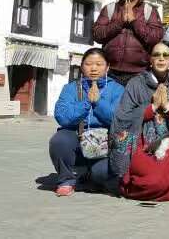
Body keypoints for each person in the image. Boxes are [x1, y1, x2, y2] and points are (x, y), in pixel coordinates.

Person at [109, 42, 169, 201]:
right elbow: (122, 117)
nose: (161, 59)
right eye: (156, 55)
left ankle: (167, 187)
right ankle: (145, 187)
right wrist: (151, 108)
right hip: (139, 141)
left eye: (165, 55)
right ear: (150, 60)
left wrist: (168, 107)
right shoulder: (135, 84)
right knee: (154, 182)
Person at [49, 48, 125, 196]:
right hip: (77, 138)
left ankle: (90, 176)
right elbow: (62, 117)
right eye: (89, 64)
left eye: (99, 64)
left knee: (101, 173)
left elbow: (119, 119)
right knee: (60, 140)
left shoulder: (118, 90)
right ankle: (66, 180)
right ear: (82, 66)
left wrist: (98, 103)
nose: (94, 68)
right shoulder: (70, 88)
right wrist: (86, 103)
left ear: (107, 67)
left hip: (105, 144)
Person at [92, 0, 164, 85]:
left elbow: (155, 38)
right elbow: (97, 35)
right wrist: (119, 22)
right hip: (110, 73)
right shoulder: (110, 9)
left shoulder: (149, 11)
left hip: (140, 74)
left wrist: (134, 21)